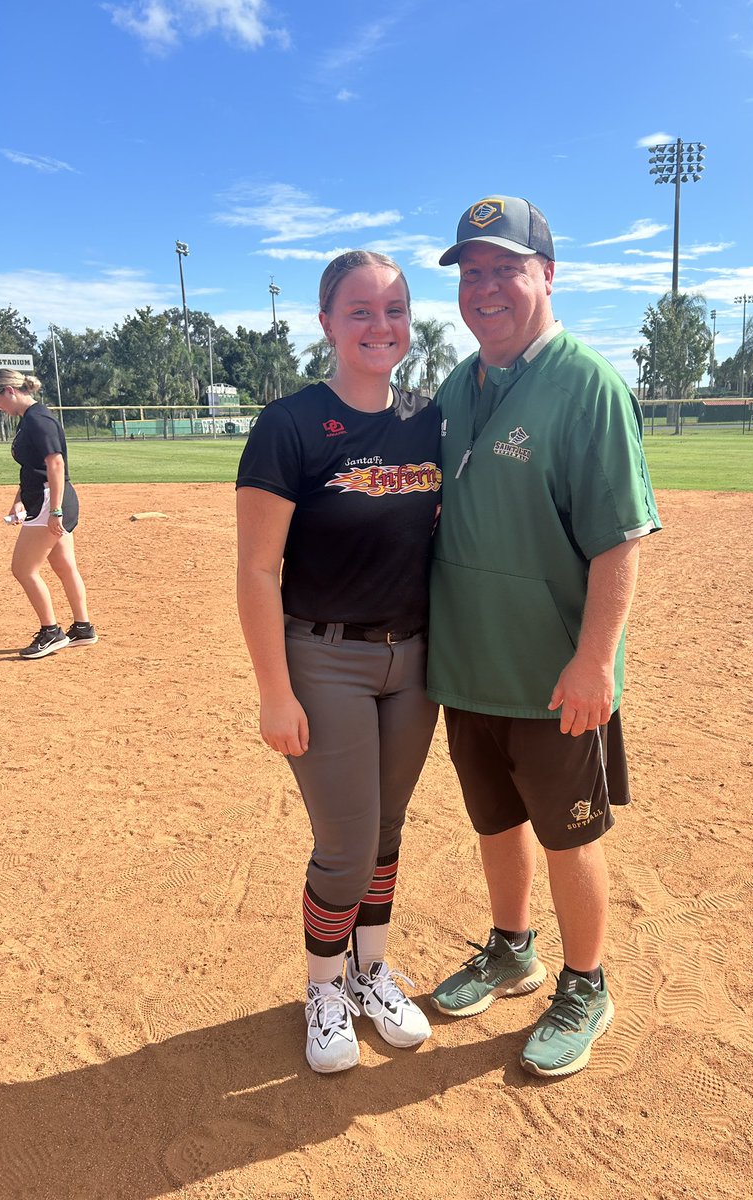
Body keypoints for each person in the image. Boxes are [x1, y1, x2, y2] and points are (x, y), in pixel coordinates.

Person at [427, 196, 661, 1078]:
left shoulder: (586, 384)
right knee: (495, 824)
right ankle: (511, 948)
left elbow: (619, 538)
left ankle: (586, 983)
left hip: (555, 674)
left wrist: (595, 660)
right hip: (470, 666)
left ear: (547, 276)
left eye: (505, 268)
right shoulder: (460, 386)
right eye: (471, 272)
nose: (485, 287)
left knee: (570, 836)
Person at [236, 250, 442, 1074]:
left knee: (387, 832)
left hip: (415, 659)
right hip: (325, 659)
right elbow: (257, 569)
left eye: (394, 308)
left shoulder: (429, 418)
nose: (380, 325)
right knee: (347, 845)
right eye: (359, 310)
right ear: (326, 322)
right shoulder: (289, 424)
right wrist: (273, 691)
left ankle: (370, 972)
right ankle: (324, 986)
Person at [0, 370, 98, 659]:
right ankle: (83, 627)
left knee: (23, 569)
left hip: (50, 501)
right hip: (46, 499)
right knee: (65, 566)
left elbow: (55, 464)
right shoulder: (30, 419)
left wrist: (54, 510)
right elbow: (33, 467)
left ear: (9, 391)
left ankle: (51, 632)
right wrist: (18, 500)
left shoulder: (37, 420)